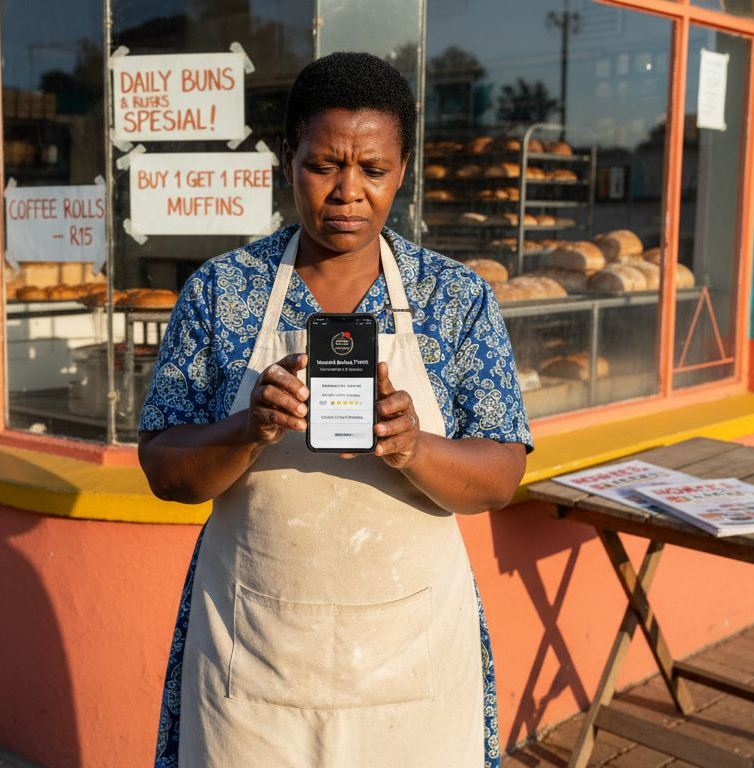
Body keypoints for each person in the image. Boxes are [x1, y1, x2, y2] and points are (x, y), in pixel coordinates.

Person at [139, 52, 532, 767]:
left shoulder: (455, 299)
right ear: (287, 159)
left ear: (404, 168)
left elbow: (502, 475)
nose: (349, 192)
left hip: (412, 669)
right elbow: (166, 470)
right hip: (254, 668)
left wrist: (414, 445)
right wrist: (247, 429)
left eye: (374, 170)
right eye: (324, 166)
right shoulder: (223, 292)